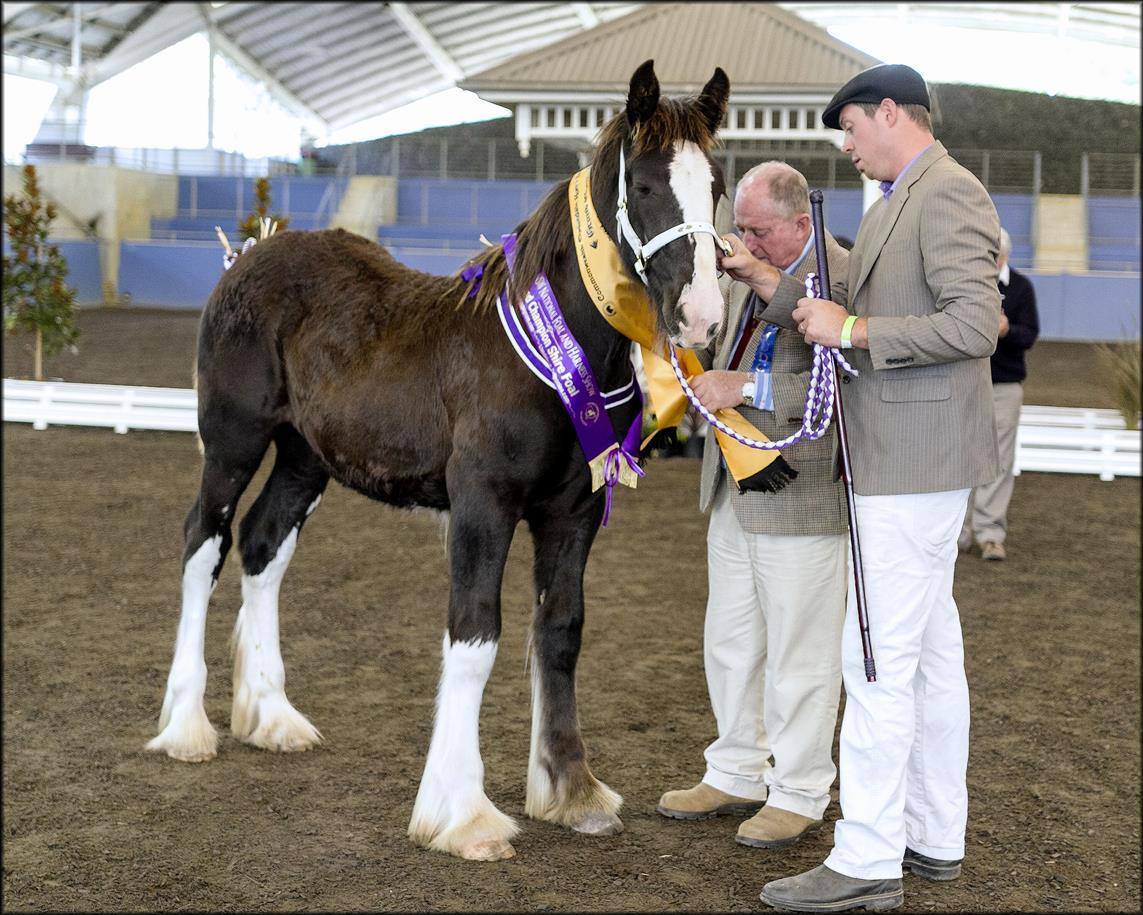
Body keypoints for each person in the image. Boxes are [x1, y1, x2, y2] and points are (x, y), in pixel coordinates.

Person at [717, 64, 1001, 912]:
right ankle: (933, 833)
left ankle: (867, 857)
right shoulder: (899, 199)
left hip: (907, 462)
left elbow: (972, 323)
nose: (844, 146)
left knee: (874, 662)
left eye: (848, 128)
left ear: (887, 112)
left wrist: (855, 328)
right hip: (908, 460)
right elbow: (848, 305)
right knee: (929, 660)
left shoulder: (945, 193)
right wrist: (781, 292)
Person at [657, 162, 851, 849]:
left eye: (758, 230)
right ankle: (736, 769)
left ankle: (798, 790)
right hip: (731, 484)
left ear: (801, 222)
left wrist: (744, 387)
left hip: (802, 492)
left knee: (801, 650)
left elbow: (846, 386)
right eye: (738, 227)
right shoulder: (744, 274)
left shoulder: (843, 276)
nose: (744, 242)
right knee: (731, 640)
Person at [959, 227, 1040, 561]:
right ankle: (958, 532)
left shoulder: (1020, 287)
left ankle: (990, 533)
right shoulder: (966, 285)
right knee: (960, 458)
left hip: (1004, 386)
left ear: (1001, 257)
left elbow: (1030, 334)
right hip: (965, 384)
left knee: (1000, 460)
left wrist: (1007, 330)